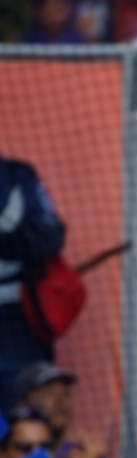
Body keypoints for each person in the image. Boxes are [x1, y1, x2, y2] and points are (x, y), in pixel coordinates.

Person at [0, 154, 66, 412]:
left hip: (19, 322)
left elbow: (50, 239)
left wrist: (7, 243)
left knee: (30, 418)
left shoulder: (18, 176)